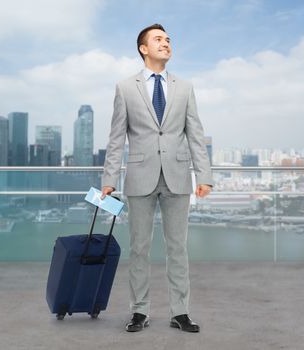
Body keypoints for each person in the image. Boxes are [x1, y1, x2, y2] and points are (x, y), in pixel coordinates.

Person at [102, 23, 212, 333]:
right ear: (143, 48)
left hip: (177, 176)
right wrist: (109, 179)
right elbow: (116, 138)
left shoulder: (185, 87)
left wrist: (204, 175)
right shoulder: (125, 88)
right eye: (158, 40)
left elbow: (196, 133)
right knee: (139, 248)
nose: (166, 43)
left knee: (178, 248)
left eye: (168, 39)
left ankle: (181, 312)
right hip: (139, 176)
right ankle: (139, 311)